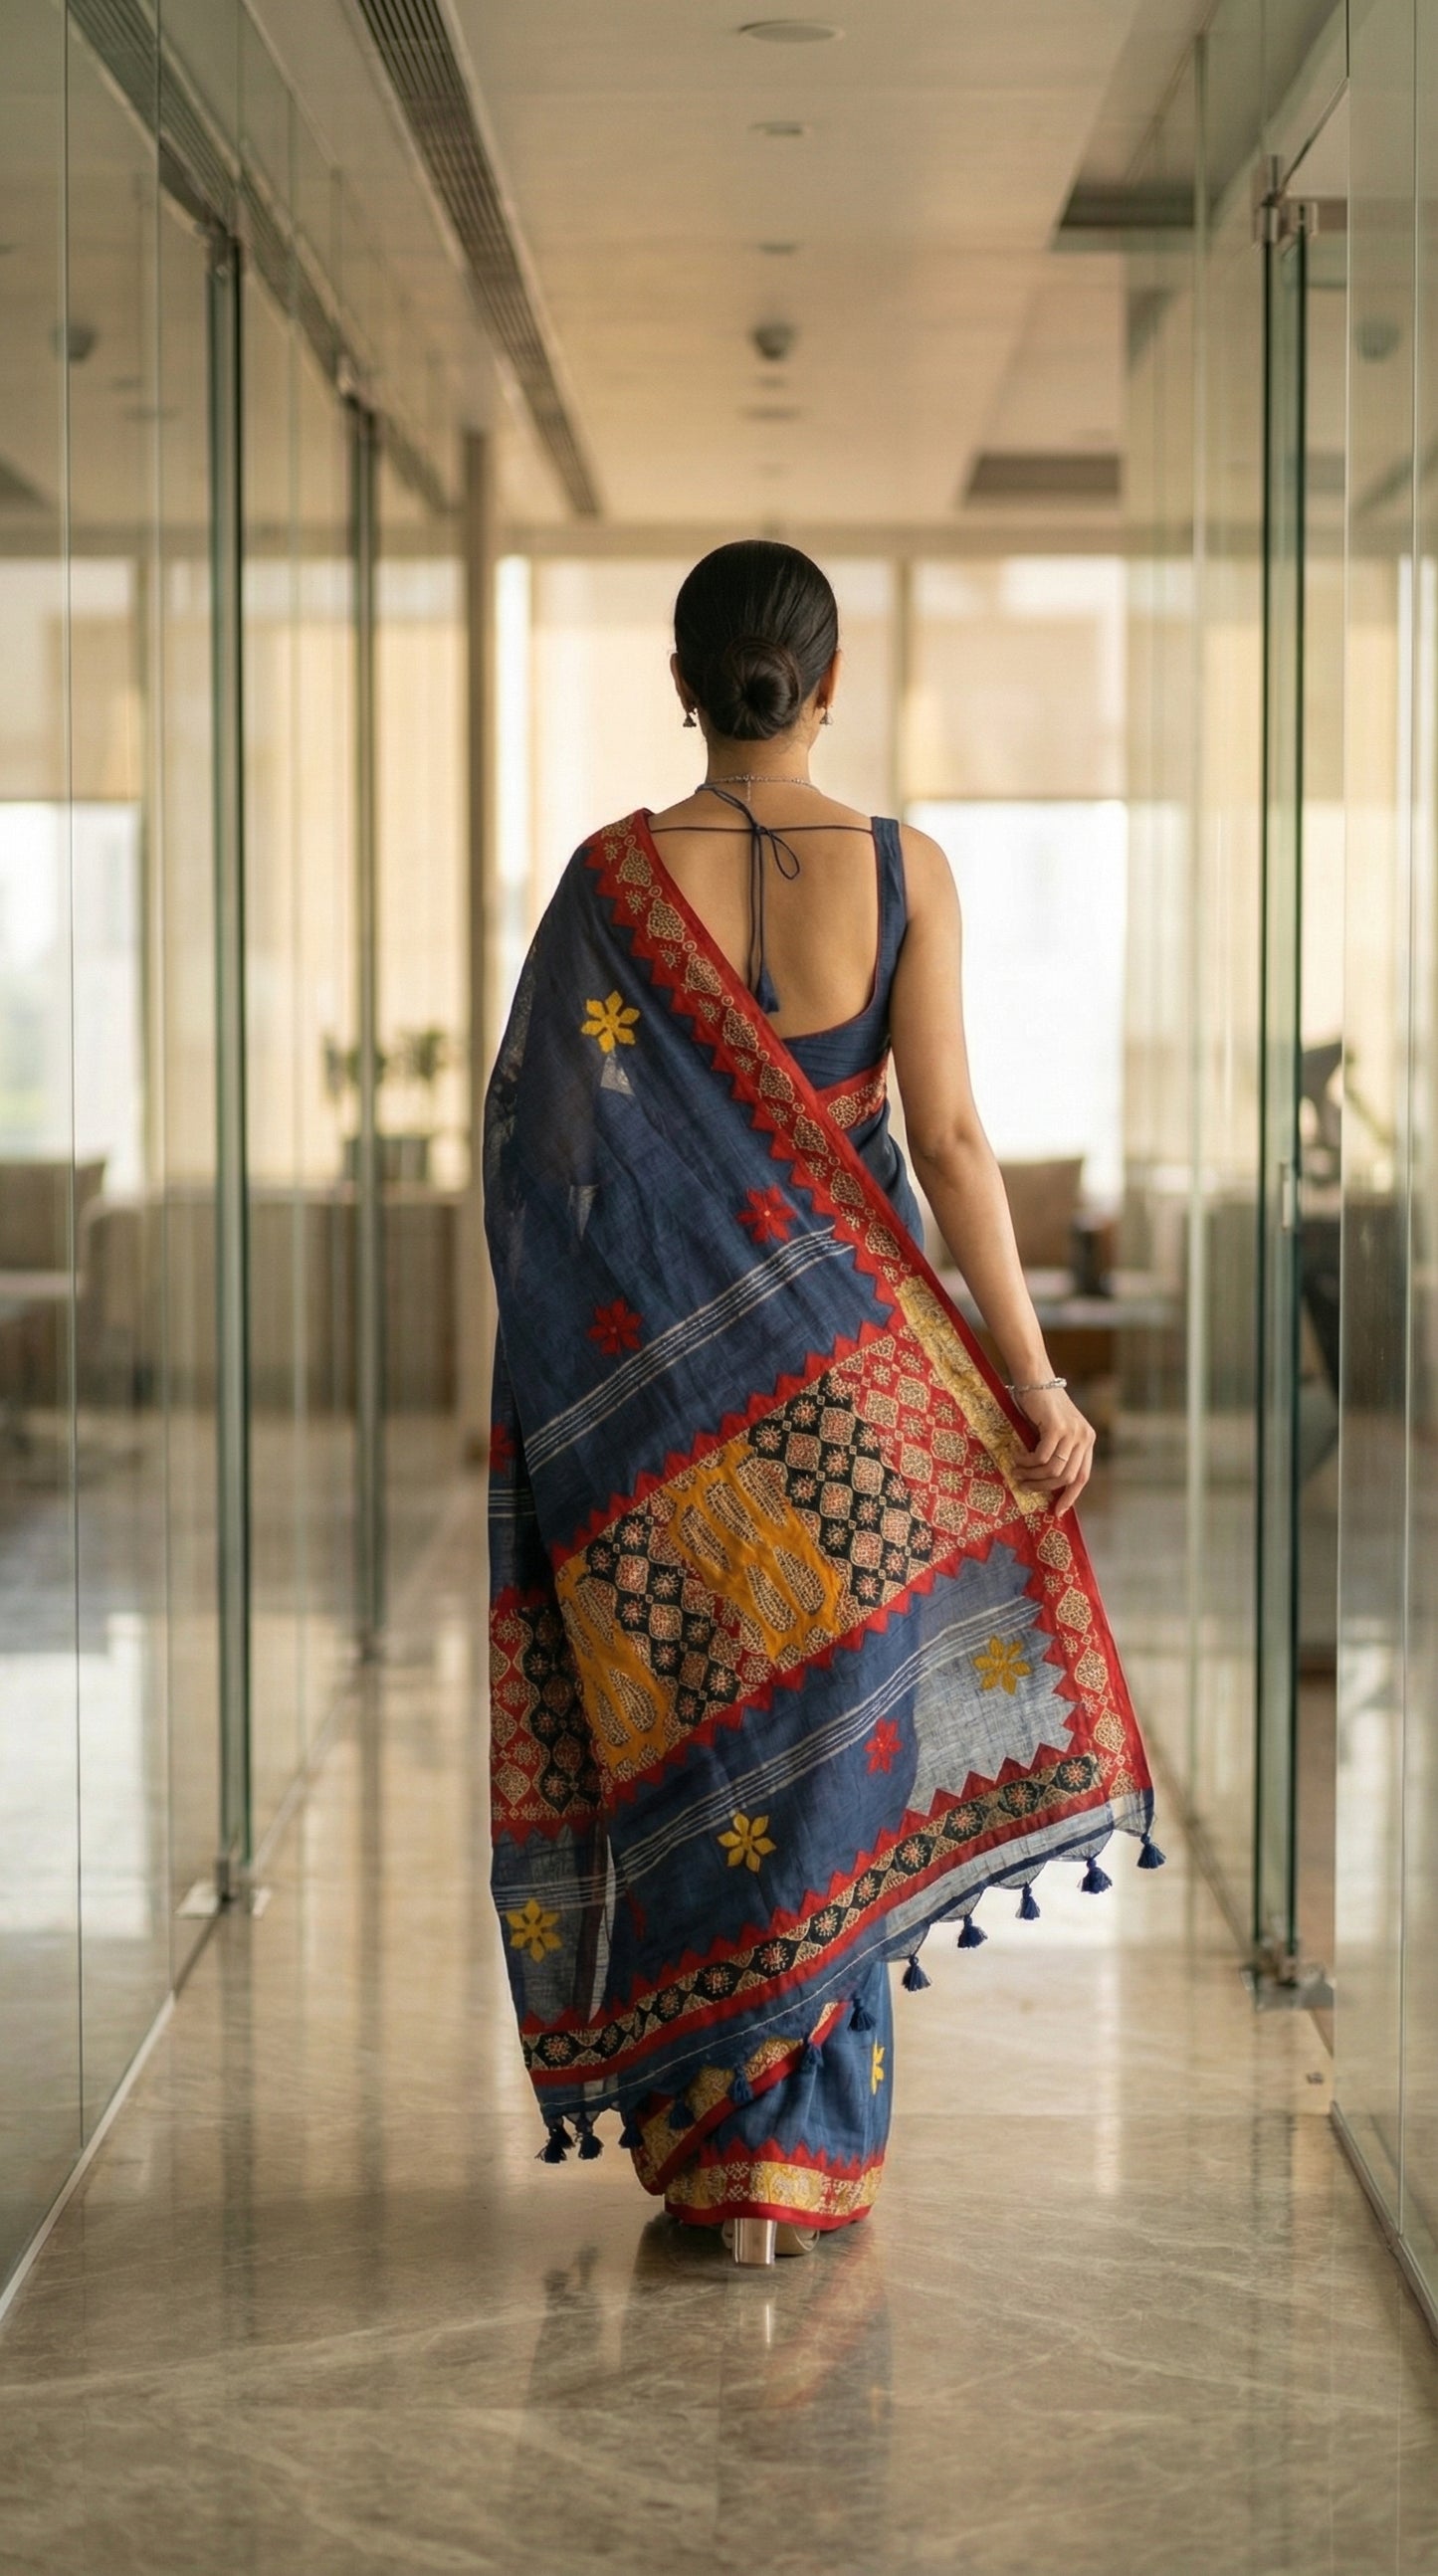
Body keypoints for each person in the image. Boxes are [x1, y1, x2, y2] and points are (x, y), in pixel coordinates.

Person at [486, 541, 1160, 2269]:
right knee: (835, 1761)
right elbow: (945, 1144)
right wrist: (1024, 1377)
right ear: (829, 681)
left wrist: (604, 1352)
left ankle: (717, 2159)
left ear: (684, 679)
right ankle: (805, 2163)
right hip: (859, 1402)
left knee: (703, 1751)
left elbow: (540, 1157)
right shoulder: (902, 866)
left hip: (659, 1429)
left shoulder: (609, 882)